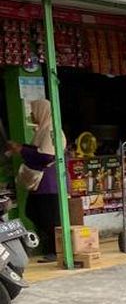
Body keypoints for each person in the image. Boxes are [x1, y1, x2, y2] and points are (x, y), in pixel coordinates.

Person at [7, 99, 65, 262]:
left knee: (49, 218)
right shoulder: (43, 130)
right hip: (40, 183)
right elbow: (38, 150)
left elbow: (47, 155)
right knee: (33, 211)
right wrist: (20, 147)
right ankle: (50, 249)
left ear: (41, 111)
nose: (31, 114)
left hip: (49, 182)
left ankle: (56, 251)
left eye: (33, 111)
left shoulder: (52, 130)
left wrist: (22, 149)